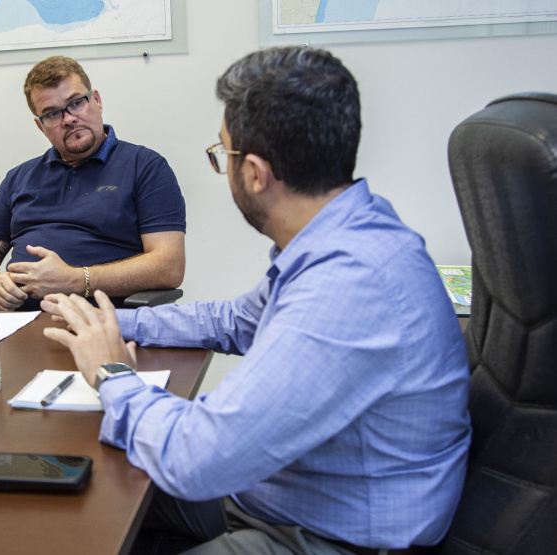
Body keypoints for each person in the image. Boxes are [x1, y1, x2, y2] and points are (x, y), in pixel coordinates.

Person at [40, 47, 471, 554]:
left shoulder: (348, 284)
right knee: (75, 496)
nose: (224, 169)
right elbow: (230, 321)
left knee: (104, 490)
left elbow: (194, 457)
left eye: (223, 155)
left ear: (256, 174)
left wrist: (112, 374)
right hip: (284, 492)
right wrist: (109, 324)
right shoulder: (348, 231)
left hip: (324, 537)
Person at [0, 56, 186, 311]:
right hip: (20, 322)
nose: (68, 119)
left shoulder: (144, 166)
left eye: (76, 103)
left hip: (107, 323)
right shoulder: (19, 177)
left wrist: (75, 280)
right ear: (40, 126)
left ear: (97, 101)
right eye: (52, 114)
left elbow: (169, 265)